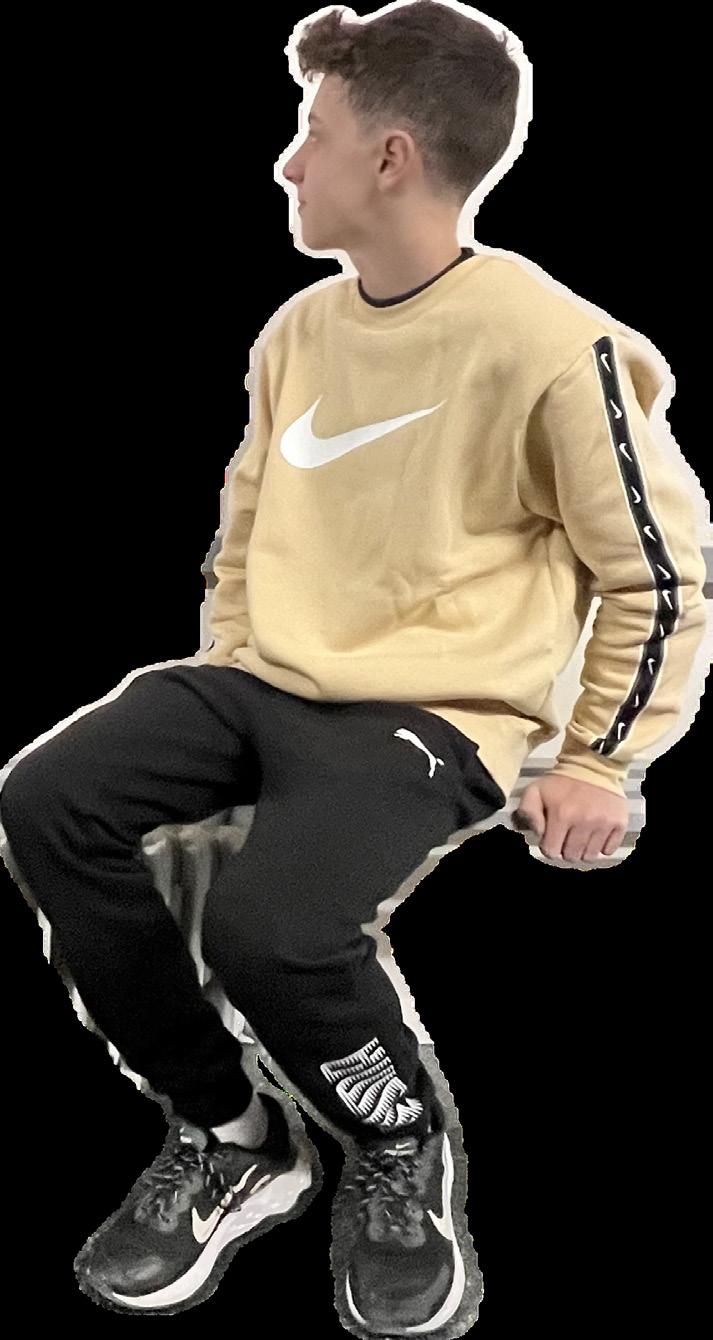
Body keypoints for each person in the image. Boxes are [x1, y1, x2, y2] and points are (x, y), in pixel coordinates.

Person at [0, 2, 707, 1331]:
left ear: (390, 159)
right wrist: (227, 674)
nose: (288, 161)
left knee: (272, 928)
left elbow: (657, 575)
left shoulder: (554, 345)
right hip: (266, 679)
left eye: (311, 132)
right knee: (51, 796)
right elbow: (248, 529)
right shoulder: (299, 332)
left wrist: (600, 760)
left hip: (433, 709)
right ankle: (229, 1131)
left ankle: (395, 1146)